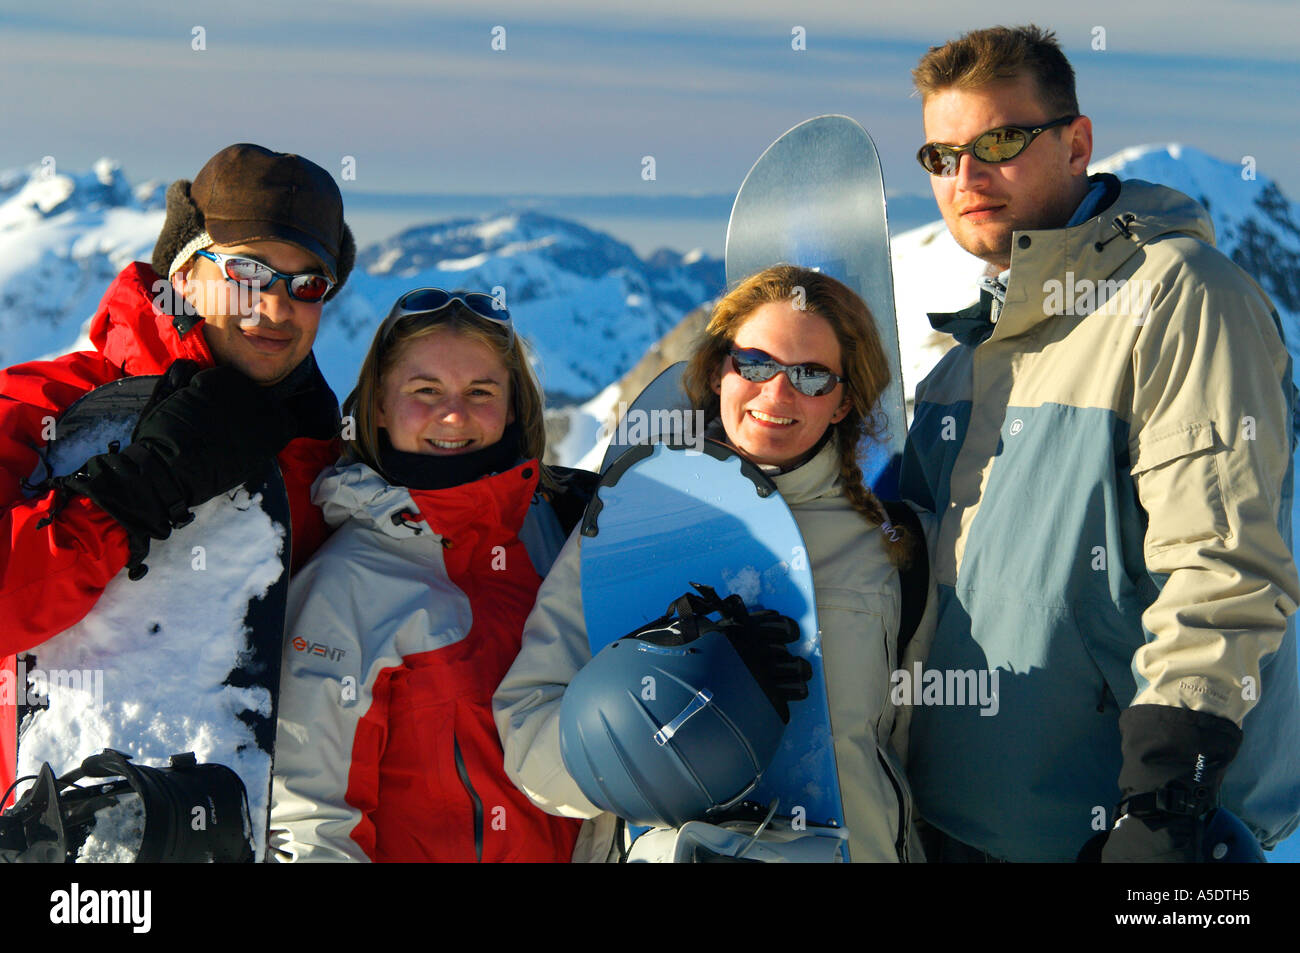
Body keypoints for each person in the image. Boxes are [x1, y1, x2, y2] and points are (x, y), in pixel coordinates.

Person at [899, 24, 1300, 862]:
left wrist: (1164, 796)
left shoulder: (1180, 296)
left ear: (1076, 143)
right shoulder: (960, 370)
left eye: (1000, 141)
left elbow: (1222, 562)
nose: (966, 177)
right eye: (941, 156)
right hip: (944, 824)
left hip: (1105, 832)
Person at [494, 265, 928, 862]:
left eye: (811, 375)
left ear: (844, 401)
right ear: (719, 371)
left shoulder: (897, 548)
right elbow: (530, 749)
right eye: (754, 364)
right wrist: (659, 701)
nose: (777, 393)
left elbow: (925, 753)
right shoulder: (625, 524)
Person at [0, 143, 351, 803]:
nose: (276, 308)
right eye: (248, 271)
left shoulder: (322, 465)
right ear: (184, 275)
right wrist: (130, 492)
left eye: (307, 283)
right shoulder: (37, 410)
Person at [269, 288, 591, 862]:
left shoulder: (563, 537)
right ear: (378, 409)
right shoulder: (347, 586)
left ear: (513, 407)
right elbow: (310, 823)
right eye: (425, 391)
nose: (453, 415)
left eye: (481, 392)